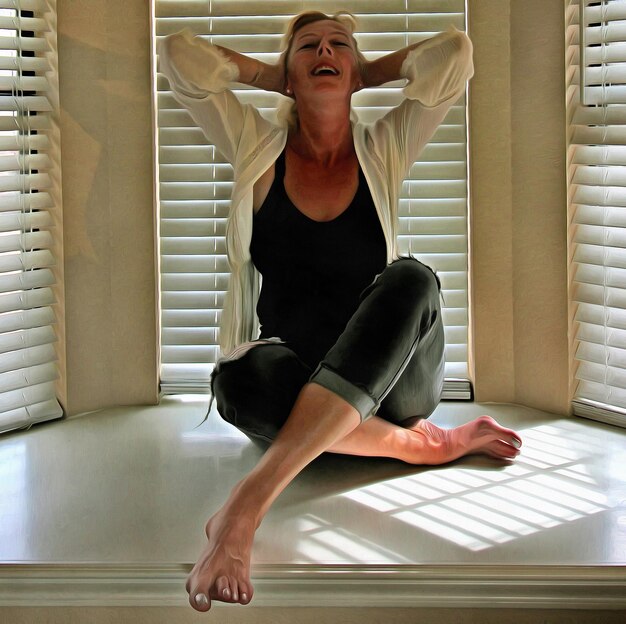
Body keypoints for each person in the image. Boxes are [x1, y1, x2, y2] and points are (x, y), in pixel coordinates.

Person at [158, 11, 522, 612]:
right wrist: (273, 74)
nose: (325, 52)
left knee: (413, 279)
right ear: (288, 75)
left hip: (393, 389)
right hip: (292, 378)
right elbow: (180, 56)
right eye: (308, 48)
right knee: (236, 377)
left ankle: (244, 507)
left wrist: (359, 73)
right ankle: (415, 447)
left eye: (339, 46)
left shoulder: (383, 148)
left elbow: (454, 53)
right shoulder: (257, 147)